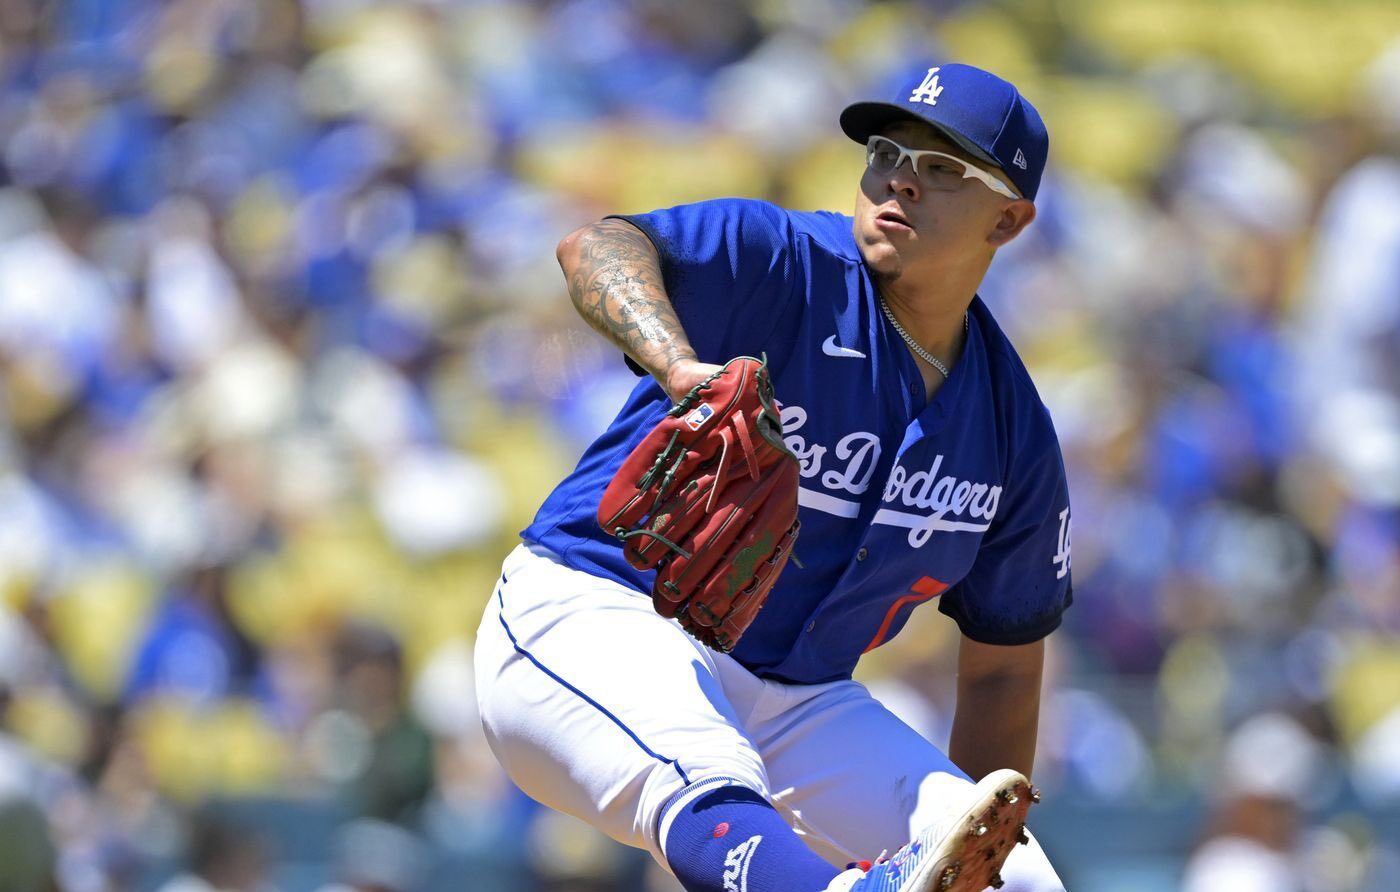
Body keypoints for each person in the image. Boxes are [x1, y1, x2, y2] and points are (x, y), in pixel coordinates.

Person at [474, 62, 1072, 892]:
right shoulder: (786, 261)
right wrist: (678, 366)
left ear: (1007, 220)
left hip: (798, 700)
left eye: (941, 169)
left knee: (1028, 883)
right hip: (595, 615)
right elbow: (597, 245)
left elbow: (1004, 669)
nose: (899, 179)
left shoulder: (1011, 430)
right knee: (703, 764)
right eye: (886, 153)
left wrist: (975, 869)